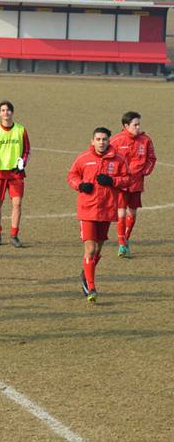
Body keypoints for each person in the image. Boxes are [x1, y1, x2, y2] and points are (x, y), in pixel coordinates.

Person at [67, 127, 130, 302]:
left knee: (97, 251)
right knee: (90, 248)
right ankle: (91, 287)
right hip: (87, 210)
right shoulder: (83, 159)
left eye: (104, 139)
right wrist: (80, 185)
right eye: (98, 139)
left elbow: (128, 179)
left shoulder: (118, 160)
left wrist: (113, 181)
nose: (101, 142)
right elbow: (71, 175)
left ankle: (86, 273)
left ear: (109, 141)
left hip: (107, 210)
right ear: (92, 141)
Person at [0, 100, 30, 247]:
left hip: (16, 173)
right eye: (3, 110)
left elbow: (27, 150)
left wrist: (23, 164)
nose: (6, 113)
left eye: (8, 110)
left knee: (17, 204)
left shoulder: (21, 130)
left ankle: (14, 235)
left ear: (12, 112)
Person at [111, 112, 156, 257]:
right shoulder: (116, 140)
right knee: (121, 213)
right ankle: (122, 245)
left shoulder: (145, 140)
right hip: (121, 184)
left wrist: (145, 172)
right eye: (135, 125)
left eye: (139, 124)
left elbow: (151, 158)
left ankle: (126, 238)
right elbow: (109, 159)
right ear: (126, 126)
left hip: (136, 183)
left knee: (133, 213)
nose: (138, 127)